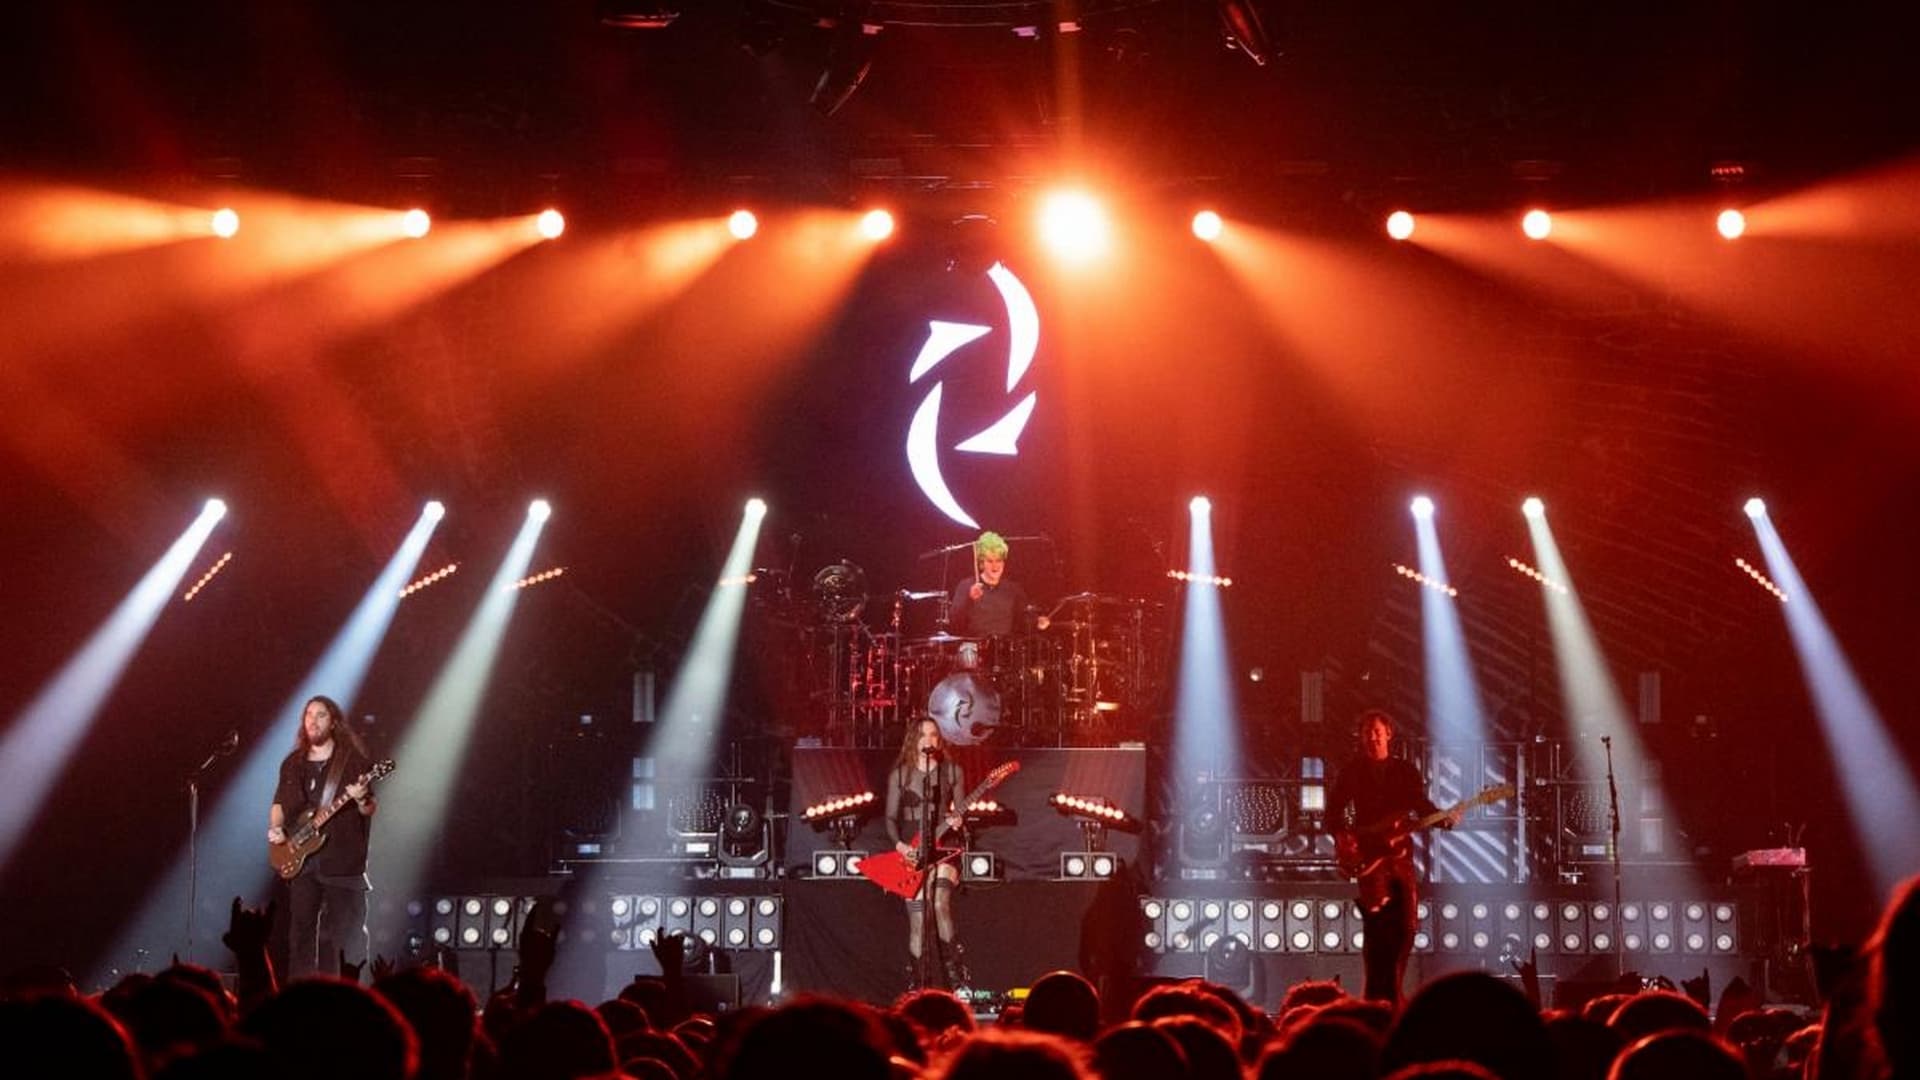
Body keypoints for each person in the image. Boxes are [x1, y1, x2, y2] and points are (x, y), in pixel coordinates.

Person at [1327, 709, 1460, 1006]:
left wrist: (1444, 820)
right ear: (1361, 737)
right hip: (1370, 861)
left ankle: (1393, 991)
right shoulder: (1352, 772)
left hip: (1400, 858)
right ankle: (1376, 995)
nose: (1372, 737)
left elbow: (1420, 805)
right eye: (1367, 733)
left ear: (1389, 734)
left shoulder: (1405, 771)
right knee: (1378, 930)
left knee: (1407, 927)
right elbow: (1333, 812)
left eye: (1377, 731)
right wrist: (1344, 839)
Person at [268, 695, 378, 980]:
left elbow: (368, 809)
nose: (313, 721)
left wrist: (361, 797)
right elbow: (279, 805)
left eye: (321, 715)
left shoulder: (353, 761)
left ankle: (352, 995)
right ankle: (301, 994)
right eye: (308, 714)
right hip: (302, 862)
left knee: (348, 937)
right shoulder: (292, 763)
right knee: (300, 936)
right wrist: (276, 830)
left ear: (333, 723)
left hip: (343, 860)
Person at [884, 718, 969, 991]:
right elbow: (889, 818)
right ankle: (918, 982)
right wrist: (900, 845)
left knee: (940, 903)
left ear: (939, 740)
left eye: (933, 734)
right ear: (914, 740)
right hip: (912, 848)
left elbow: (960, 810)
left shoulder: (952, 771)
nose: (928, 739)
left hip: (944, 845)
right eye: (922, 735)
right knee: (918, 917)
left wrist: (959, 820)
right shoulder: (900, 775)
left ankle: (956, 979)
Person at [948, 531, 1047, 638]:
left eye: (998, 561)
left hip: (1004, 646)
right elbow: (953, 623)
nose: (995, 566)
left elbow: (1024, 621)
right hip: (972, 644)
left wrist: (1037, 622)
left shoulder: (1013, 589)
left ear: (1003, 563)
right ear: (981, 563)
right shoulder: (966, 585)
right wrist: (969, 599)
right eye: (990, 561)